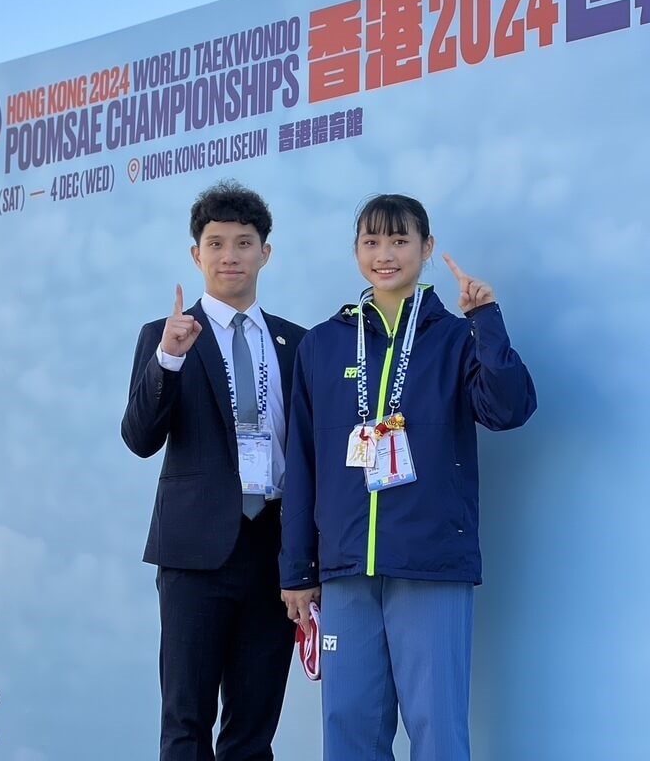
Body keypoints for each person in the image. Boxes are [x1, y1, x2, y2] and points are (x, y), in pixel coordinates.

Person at [279, 193, 536, 761]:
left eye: (399, 241)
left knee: (437, 729)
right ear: (356, 252)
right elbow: (301, 464)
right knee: (348, 730)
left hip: (430, 563)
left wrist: (486, 322)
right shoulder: (323, 344)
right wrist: (297, 569)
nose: (385, 254)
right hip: (346, 567)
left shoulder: (453, 338)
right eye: (372, 242)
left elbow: (508, 409)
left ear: (427, 248)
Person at [121, 180, 306, 761]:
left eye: (244, 243)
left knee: (253, 729)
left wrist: (308, 556)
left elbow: (307, 452)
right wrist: (169, 359)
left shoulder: (297, 343)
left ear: (265, 253)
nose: (231, 255)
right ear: (195, 254)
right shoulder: (165, 336)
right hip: (195, 555)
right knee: (186, 723)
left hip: (275, 555)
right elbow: (140, 438)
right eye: (216, 242)